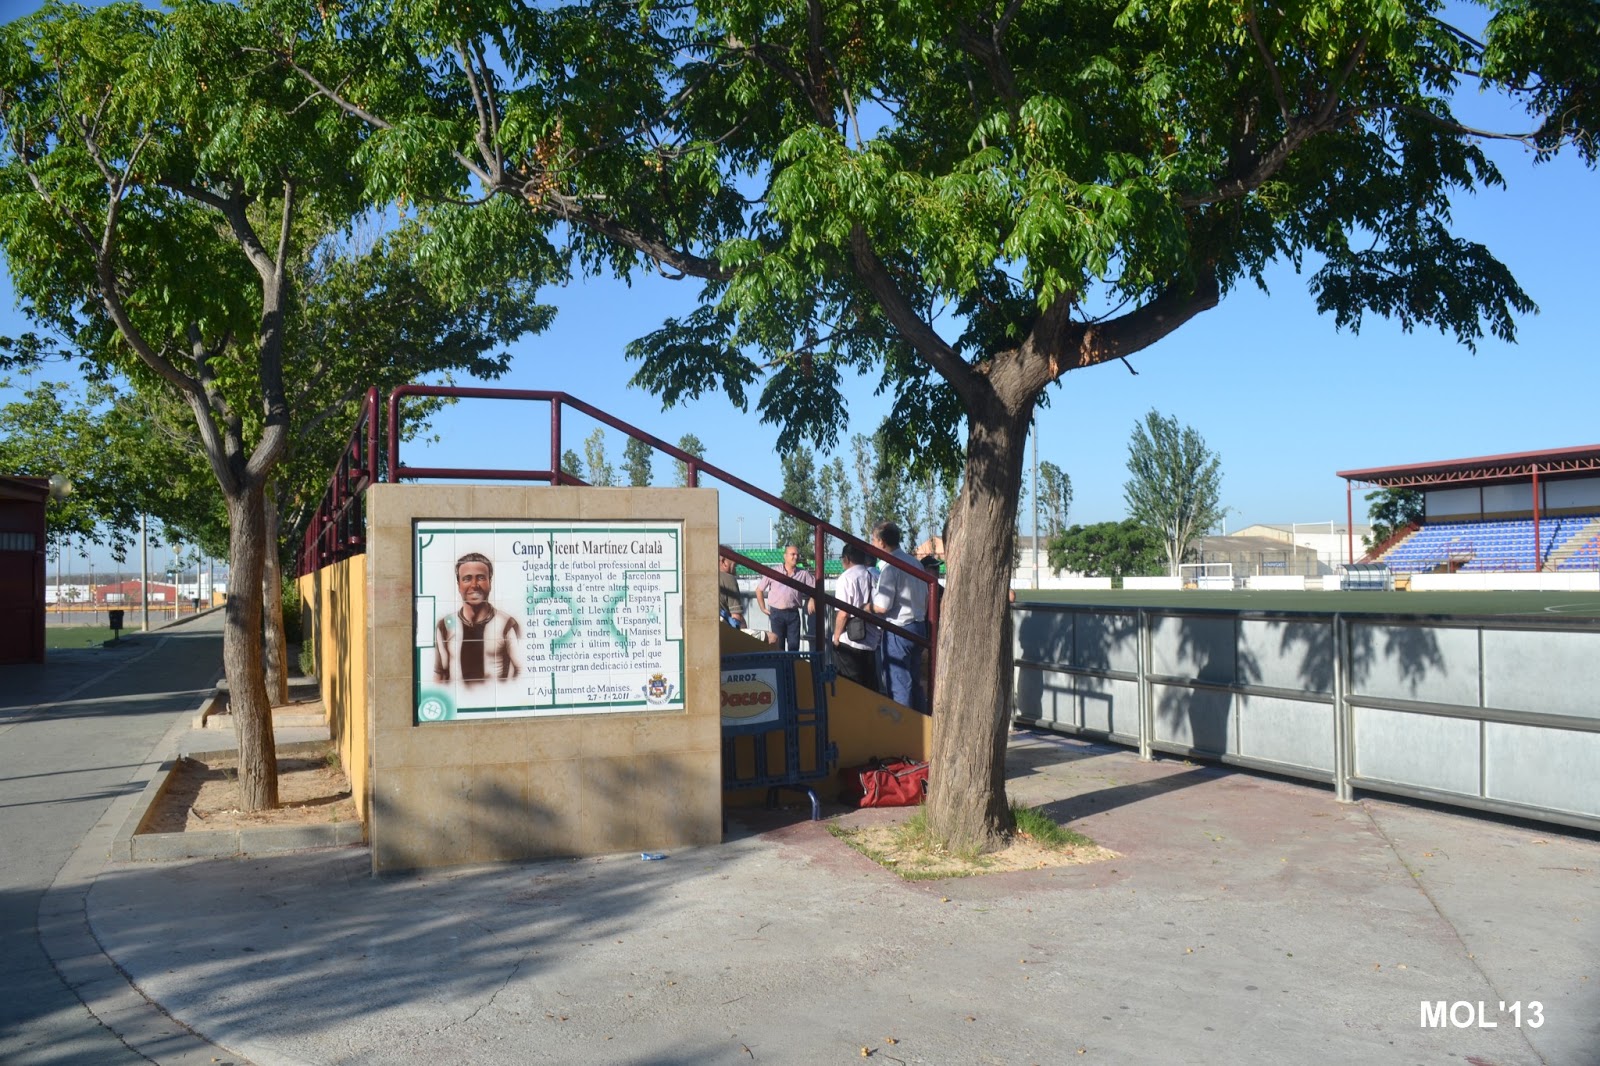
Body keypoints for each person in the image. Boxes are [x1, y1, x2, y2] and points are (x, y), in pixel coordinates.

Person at [434, 552, 522, 684]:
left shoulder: (506, 624)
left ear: (490, 582)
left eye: (481, 578)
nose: (474, 585)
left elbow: (522, 671)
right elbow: (439, 673)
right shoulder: (445, 625)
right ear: (458, 585)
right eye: (467, 579)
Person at [868, 521, 929, 710]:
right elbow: (926, 597)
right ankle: (920, 721)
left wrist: (866, 607)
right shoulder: (915, 563)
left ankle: (902, 724)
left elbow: (882, 606)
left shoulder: (890, 568)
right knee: (914, 682)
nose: (872, 544)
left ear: (881, 542)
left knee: (899, 684)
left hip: (899, 629)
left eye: (873, 540)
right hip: (918, 627)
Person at [831, 543, 880, 691]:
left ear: (846, 558)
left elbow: (843, 613)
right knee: (869, 689)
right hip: (871, 640)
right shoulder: (874, 576)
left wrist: (836, 637)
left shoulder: (845, 578)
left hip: (850, 642)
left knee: (850, 688)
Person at [755, 543, 815, 651]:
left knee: (794, 647)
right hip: (776, 613)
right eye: (793, 554)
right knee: (778, 647)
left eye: (797, 554)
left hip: (793, 613)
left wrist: (812, 599)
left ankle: (792, 663)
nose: (796, 557)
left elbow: (815, 587)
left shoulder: (803, 574)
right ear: (785, 556)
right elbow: (759, 590)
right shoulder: (774, 571)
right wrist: (762, 608)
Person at [718, 549, 746, 628]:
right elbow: (736, 618)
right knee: (772, 636)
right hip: (722, 629)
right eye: (734, 565)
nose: (735, 570)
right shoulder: (728, 578)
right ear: (724, 562)